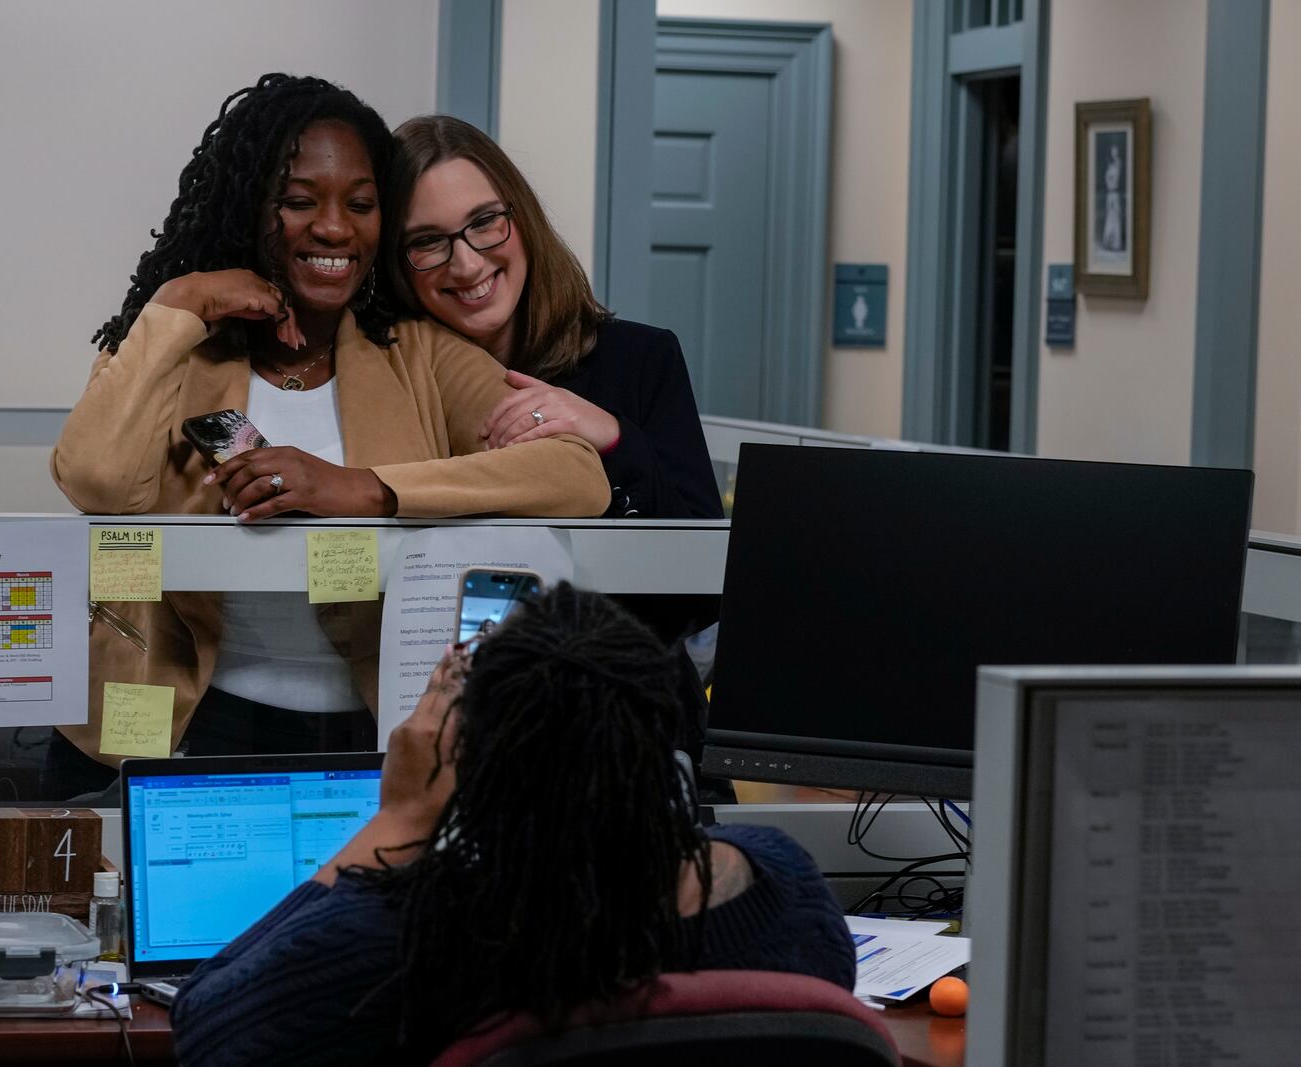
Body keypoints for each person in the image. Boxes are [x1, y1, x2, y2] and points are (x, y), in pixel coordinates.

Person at [49, 75, 610, 798]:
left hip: (365, 732)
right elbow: (95, 476)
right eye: (299, 202)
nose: (335, 228)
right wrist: (179, 302)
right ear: (252, 206)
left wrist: (371, 490)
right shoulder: (179, 346)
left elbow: (576, 475)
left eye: (361, 205)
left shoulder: (419, 353)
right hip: (174, 729)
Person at [171, 583, 854, 1066]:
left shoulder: (421, 939)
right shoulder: (782, 885)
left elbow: (208, 1031)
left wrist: (402, 815)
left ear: (479, 776)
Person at [385, 115, 722, 520]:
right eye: (427, 241)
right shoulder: (385, 377)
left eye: (485, 221)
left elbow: (699, 549)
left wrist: (612, 436)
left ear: (522, 217)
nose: (467, 265)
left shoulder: (643, 358)